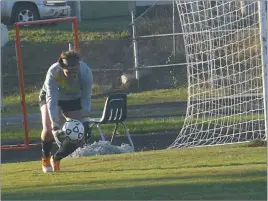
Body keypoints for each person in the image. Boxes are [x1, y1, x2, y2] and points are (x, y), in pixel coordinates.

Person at [39, 49, 93, 173]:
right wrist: (55, 125)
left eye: (75, 69)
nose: (73, 73)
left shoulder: (85, 72)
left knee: (83, 132)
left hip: (73, 98)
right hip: (51, 97)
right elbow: (52, 98)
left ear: (79, 65)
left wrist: (85, 120)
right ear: (62, 67)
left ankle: (56, 158)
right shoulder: (53, 72)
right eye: (69, 71)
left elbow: (86, 98)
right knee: (48, 130)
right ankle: (45, 157)